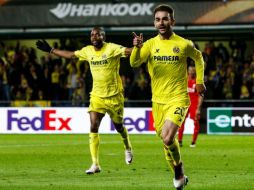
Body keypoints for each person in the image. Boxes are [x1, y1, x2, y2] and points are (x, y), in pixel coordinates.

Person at [36, 27, 133, 174]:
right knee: (93, 125)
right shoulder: (87, 51)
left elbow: (129, 51)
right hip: (97, 96)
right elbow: (70, 55)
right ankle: (95, 164)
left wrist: (138, 46)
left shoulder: (112, 48)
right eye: (92, 34)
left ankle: (127, 147)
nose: (94, 36)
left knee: (119, 127)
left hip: (114, 96)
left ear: (103, 37)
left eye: (97, 34)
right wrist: (51, 50)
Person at [130, 4, 206, 190]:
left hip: (178, 98)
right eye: (157, 19)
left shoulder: (183, 44)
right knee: (167, 142)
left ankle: (179, 168)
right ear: (154, 23)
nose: (161, 22)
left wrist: (200, 80)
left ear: (172, 21)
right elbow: (133, 63)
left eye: (165, 19)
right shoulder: (149, 45)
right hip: (158, 101)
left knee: (167, 137)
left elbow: (198, 57)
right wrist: (136, 48)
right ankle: (178, 172)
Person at [178, 64, 204, 148]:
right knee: (181, 123)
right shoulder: (183, 81)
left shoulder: (198, 82)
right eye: (191, 71)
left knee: (196, 123)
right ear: (188, 71)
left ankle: (193, 142)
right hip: (185, 105)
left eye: (193, 71)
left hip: (194, 105)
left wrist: (198, 108)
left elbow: (201, 96)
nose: (192, 72)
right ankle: (179, 141)